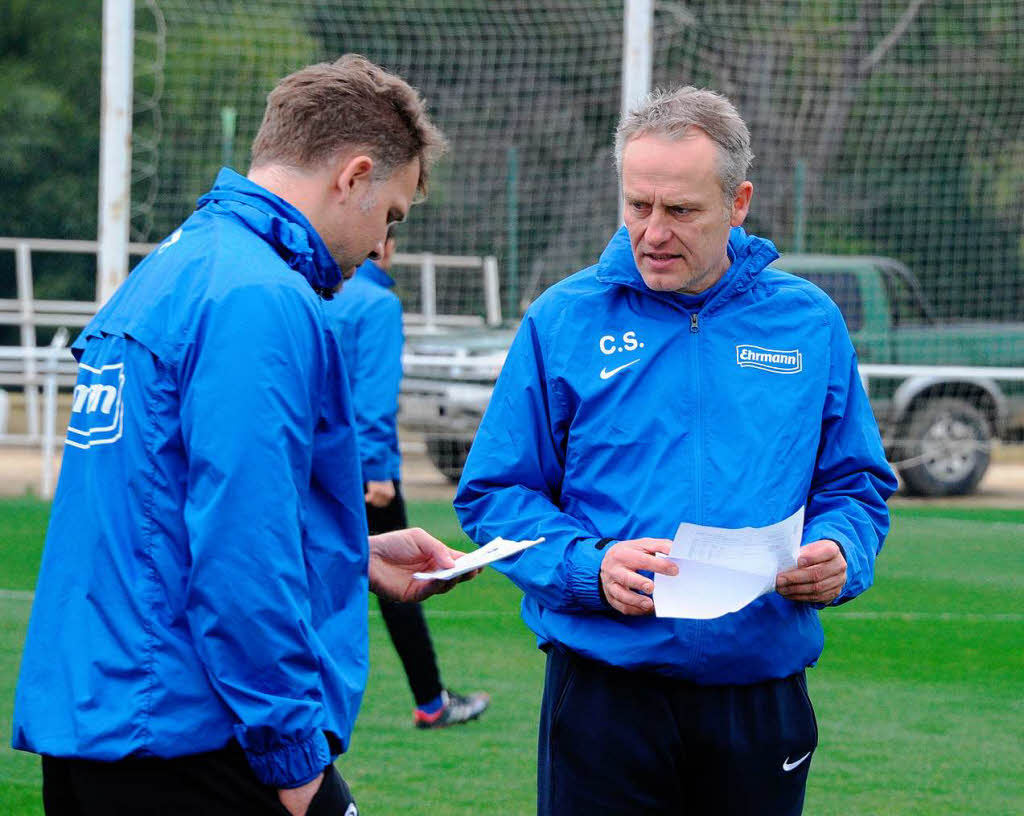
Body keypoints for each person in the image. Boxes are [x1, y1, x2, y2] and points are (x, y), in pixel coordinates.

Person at [13, 55, 471, 816]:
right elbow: (238, 548)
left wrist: (350, 553)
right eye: (389, 216)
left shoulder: (175, 266)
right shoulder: (260, 296)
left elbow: (162, 507)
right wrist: (294, 761)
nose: (376, 250)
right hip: (188, 732)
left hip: (102, 716)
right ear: (353, 176)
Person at [454, 85, 898, 815]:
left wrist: (839, 550)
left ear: (739, 202)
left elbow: (855, 483)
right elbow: (496, 493)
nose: (653, 231)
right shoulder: (563, 319)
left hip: (759, 692)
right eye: (638, 205)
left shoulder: (808, 322)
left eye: (681, 210)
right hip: (604, 691)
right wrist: (586, 567)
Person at [323, 229, 490, 728]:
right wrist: (377, 469)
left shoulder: (318, 294)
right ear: (384, 244)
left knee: (326, 574)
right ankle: (432, 701)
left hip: (319, 467)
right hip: (363, 467)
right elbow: (373, 396)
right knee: (402, 579)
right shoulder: (376, 304)